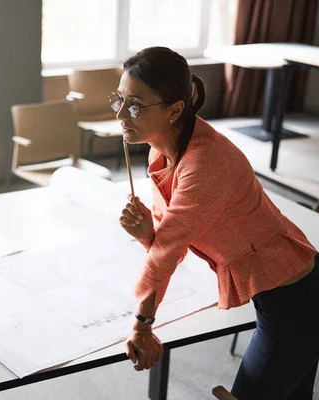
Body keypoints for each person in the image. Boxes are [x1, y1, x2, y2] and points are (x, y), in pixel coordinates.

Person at [114, 46, 318, 399]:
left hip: (294, 301)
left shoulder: (206, 165)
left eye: (135, 105)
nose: (121, 114)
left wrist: (143, 325)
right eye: (119, 99)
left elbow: (166, 250)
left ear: (175, 110)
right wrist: (148, 232)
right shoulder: (161, 148)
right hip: (284, 291)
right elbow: (168, 239)